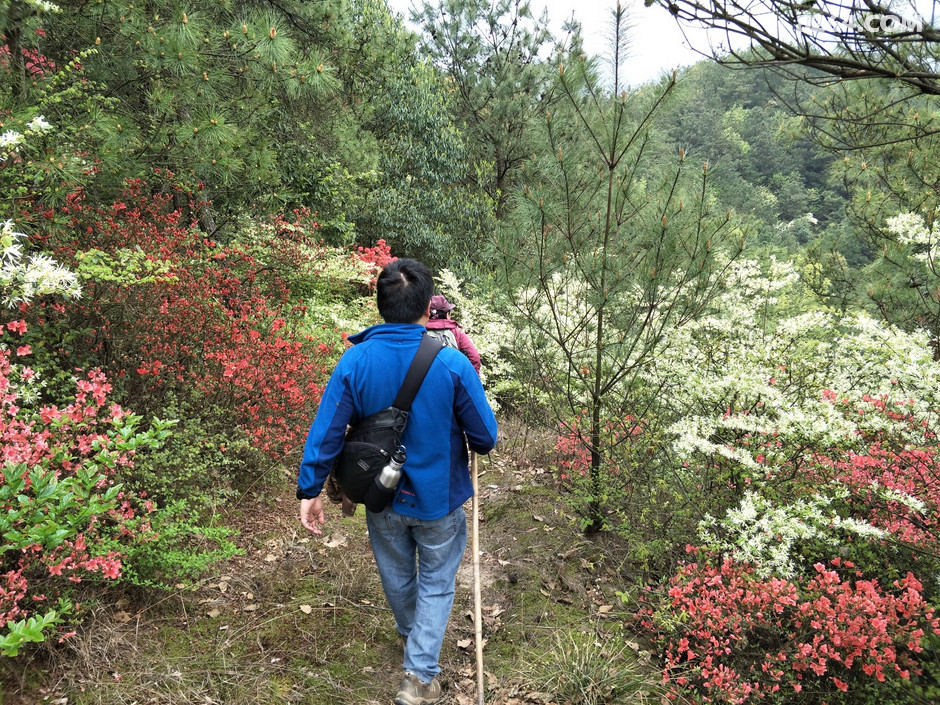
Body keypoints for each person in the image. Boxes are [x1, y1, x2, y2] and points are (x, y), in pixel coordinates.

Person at [297, 258, 498, 705]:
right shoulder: (451, 363)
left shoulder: (354, 360)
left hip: (379, 497)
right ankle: (419, 674)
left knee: (398, 578)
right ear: (429, 307)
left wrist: (311, 490)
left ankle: (415, 644)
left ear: (381, 305)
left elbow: (327, 429)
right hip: (437, 500)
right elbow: (485, 438)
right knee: (436, 583)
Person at [426, 294, 482, 374]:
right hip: (451, 382)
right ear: (447, 315)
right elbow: (474, 358)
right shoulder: (456, 333)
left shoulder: (419, 331)